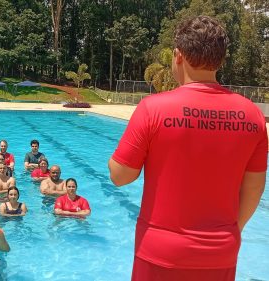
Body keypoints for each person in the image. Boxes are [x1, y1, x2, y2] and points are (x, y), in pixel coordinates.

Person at [108, 16, 267, 281]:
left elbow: (120, 176)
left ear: (178, 56)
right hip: (221, 252)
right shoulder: (252, 116)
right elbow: (254, 189)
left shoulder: (153, 109)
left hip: (160, 251)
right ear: (220, 60)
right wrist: (227, 232)